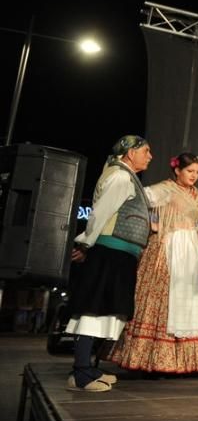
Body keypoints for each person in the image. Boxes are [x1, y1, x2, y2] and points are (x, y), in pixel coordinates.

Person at [66, 135, 154, 392]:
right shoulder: (120, 177)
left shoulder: (126, 176)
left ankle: (86, 367)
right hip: (109, 252)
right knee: (94, 308)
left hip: (119, 253)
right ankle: (81, 371)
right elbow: (100, 213)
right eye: (146, 151)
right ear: (130, 153)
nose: (150, 156)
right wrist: (85, 243)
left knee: (107, 308)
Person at [112, 152, 198, 374]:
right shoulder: (165, 189)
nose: (194, 176)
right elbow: (137, 200)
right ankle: (149, 359)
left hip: (189, 251)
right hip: (167, 246)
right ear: (177, 170)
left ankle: (182, 362)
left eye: (197, 172)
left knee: (184, 300)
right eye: (189, 171)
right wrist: (153, 225)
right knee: (161, 297)